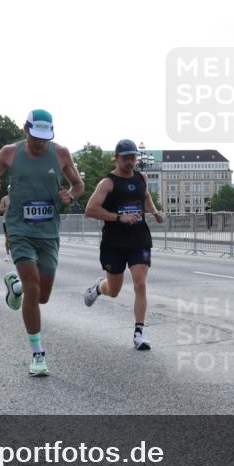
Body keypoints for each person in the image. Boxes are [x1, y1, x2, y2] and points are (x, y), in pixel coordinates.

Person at [0, 109, 85, 376]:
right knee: (33, 286)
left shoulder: (60, 154)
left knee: (43, 296)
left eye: (45, 138)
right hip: (20, 228)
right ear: (26, 129)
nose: (40, 143)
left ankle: (15, 286)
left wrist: (70, 196)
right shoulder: (10, 153)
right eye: (36, 137)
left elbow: (79, 185)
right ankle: (37, 353)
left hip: (48, 230)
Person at [82, 140, 164, 350]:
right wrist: (119, 217)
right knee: (114, 290)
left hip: (139, 239)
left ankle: (139, 333)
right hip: (114, 242)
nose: (130, 162)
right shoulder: (107, 183)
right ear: (116, 158)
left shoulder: (141, 178)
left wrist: (154, 211)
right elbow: (90, 210)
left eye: (133, 157)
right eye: (125, 158)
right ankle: (99, 288)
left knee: (140, 283)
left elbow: (144, 195)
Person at [0, 184, 12, 262]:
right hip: (6, 221)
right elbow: (0, 210)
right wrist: (8, 208)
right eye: (10, 189)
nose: (11, 190)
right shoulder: (4, 199)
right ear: (7, 190)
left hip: (16, 221)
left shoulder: (17, 198)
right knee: (8, 238)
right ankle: (7, 254)